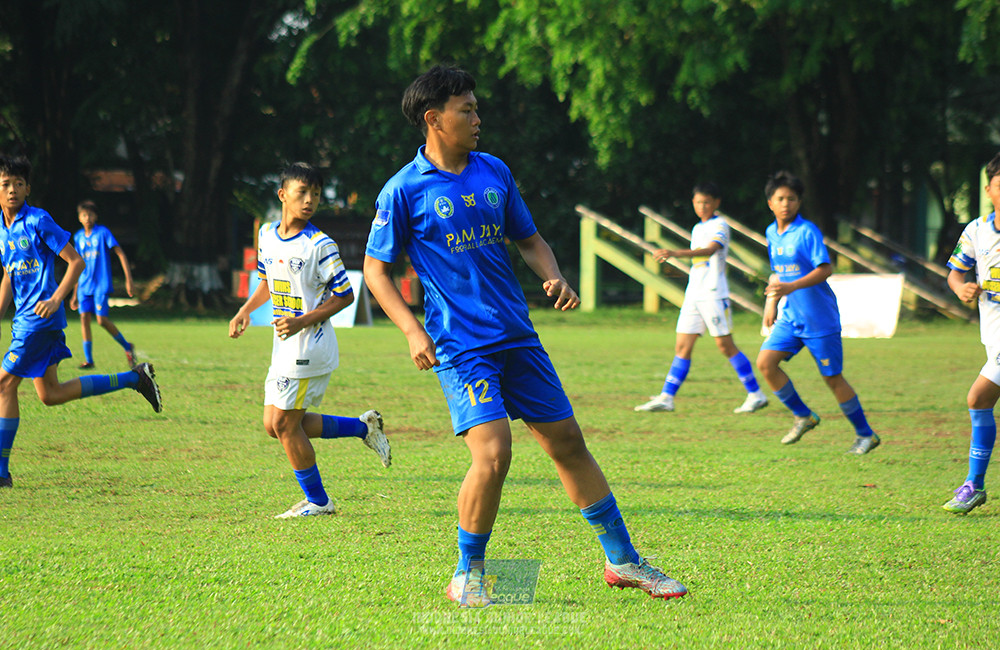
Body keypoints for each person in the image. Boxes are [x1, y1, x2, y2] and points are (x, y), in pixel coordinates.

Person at [364, 65, 686, 606]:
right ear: (433, 119)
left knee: (568, 443)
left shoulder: (495, 172)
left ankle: (623, 561)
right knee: (493, 454)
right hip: (462, 346)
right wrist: (412, 330)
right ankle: (467, 575)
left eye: (476, 108)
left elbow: (530, 240)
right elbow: (376, 271)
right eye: (466, 110)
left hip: (517, 335)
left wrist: (553, 274)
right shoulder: (403, 190)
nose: (477, 118)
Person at [229, 162, 391, 519]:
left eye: (316, 194)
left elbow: (345, 295)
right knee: (274, 425)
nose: (310, 200)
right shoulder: (267, 235)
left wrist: (301, 321)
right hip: (284, 345)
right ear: (282, 194)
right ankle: (362, 427)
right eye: (302, 192)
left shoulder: (320, 244)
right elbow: (267, 281)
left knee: (285, 425)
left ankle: (319, 501)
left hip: (310, 346)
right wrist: (245, 310)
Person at [0, 155, 161, 489]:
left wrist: (56, 298)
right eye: (5, 184)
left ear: (28, 189)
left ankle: (1, 473)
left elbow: (75, 262)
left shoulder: (38, 220)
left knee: (3, 385)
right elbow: (8, 275)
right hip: (25, 321)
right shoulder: (2, 230)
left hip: (39, 321)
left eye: (19, 183)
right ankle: (134, 378)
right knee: (50, 394)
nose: (12, 190)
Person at [754, 171, 879, 454]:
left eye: (792, 199)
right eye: (780, 198)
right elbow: (779, 273)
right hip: (791, 317)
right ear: (770, 203)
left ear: (799, 202)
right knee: (766, 363)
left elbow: (825, 269)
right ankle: (803, 416)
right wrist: (772, 301)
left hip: (819, 320)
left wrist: (791, 287)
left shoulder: (807, 232)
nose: (786, 204)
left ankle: (865, 435)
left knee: (832, 379)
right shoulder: (772, 233)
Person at [635, 182, 769, 414]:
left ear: (716, 202)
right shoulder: (698, 227)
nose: (702, 206)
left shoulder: (720, 225)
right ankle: (667, 397)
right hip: (694, 294)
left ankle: (756, 394)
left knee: (725, 345)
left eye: (706, 202)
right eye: (698, 202)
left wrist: (674, 253)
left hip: (713, 294)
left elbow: (711, 249)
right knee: (682, 346)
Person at [941, 152, 1000, 514]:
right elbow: (955, 272)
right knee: (979, 402)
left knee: (978, 398)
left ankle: (973, 484)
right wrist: (960, 288)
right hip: (993, 336)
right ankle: (974, 485)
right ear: (988, 190)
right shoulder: (977, 230)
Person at [69, 200, 137, 369]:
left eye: (91, 215)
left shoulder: (103, 233)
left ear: (96, 216)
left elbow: (120, 253)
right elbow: (77, 265)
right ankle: (89, 360)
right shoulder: (78, 237)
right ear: (79, 218)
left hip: (100, 284)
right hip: (83, 286)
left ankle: (127, 346)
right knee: (84, 318)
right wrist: (74, 293)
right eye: (84, 215)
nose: (88, 218)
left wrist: (128, 279)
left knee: (101, 320)